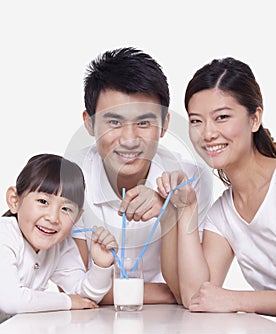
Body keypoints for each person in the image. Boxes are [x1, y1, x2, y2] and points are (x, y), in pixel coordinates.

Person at [68, 47, 212, 304]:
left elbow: (192, 294)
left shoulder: (189, 178)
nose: (130, 140)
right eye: (114, 122)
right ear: (89, 124)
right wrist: (166, 294)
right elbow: (76, 291)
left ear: (165, 124)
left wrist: (169, 212)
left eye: (144, 123)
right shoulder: (72, 178)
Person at [157, 57, 276, 315]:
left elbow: (222, 299)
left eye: (221, 117)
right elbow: (195, 296)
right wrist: (185, 208)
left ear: (255, 119)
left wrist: (238, 300)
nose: (207, 133)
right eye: (196, 121)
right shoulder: (223, 213)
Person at [0, 154, 118, 314]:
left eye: (66, 209)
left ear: (76, 217)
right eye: (43, 202)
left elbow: (83, 298)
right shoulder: (5, 234)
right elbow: (11, 302)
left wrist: (101, 266)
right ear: (14, 200)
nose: (53, 218)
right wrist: (67, 301)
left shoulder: (60, 246)